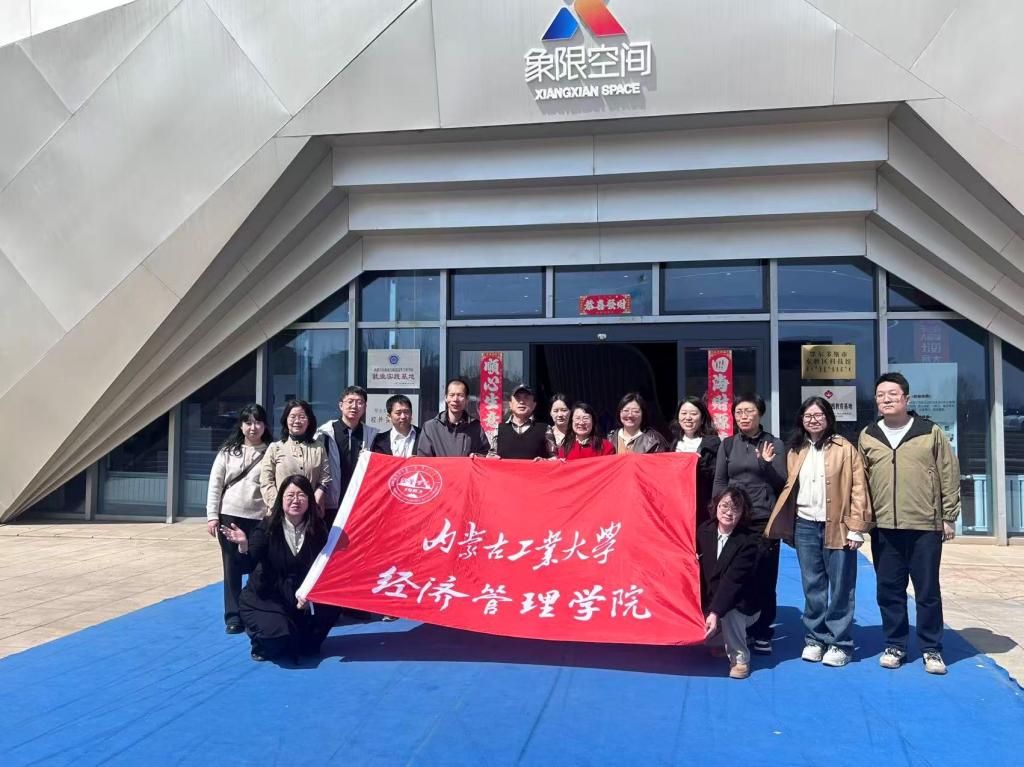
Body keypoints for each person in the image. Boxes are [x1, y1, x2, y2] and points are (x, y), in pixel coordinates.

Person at [858, 372, 961, 675]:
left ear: (906, 398)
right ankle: (895, 644)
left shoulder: (929, 432)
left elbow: (948, 473)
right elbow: (860, 482)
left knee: (927, 591)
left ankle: (931, 648)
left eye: (892, 394)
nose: (886, 399)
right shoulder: (869, 435)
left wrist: (948, 516)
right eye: (880, 395)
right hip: (884, 527)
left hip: (924, 525)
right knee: (889, 589)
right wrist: (862, 521)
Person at [766, 397, 873, 667]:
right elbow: (787, 486)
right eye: (808, 416)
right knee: (812, 585)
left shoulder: (845, 448)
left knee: (841, 586)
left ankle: (840, 642)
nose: (813, 420)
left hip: (837, 525)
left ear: (828, 418)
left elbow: (859, 487)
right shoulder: (795, 450)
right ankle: (815, 638)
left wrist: (857, 527)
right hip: (804, 524)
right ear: (801, 420)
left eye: (818, 415)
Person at [221, 475, 341, 662]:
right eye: (290, 495)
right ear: (281, 499)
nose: (296, 500)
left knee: (309, 646)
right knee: (278, 638)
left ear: (309, 500)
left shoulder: (318, 529)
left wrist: (311, 596)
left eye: (301, 495)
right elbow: (247, 565)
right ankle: (261, 642)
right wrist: (243, 545)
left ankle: (298, 635)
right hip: (267, 599)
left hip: (300, 599)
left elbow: (325, 568)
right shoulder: (268, 527)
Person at [712, 393, 787, 655]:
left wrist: (765, 465)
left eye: (749, 411)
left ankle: (763, 631)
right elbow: (720, 480)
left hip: (763, 519)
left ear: (760, 413)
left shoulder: (774, 443)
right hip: (734, 519)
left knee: (764, 576)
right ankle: (737, 629)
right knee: (735, 575)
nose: (743, 417)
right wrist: (719, 511)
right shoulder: (728, 445)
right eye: (739, 412)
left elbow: (782, 483)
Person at [206, 404, 271, 634]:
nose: (253, 427)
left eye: (258, 422)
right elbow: (215, 484)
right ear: (241, 426)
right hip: (230, 514)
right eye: (248, 422)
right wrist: (212, 516)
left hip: (260, 516)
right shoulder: (228, 451)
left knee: (258, 566)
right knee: (231, 566)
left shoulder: (272, 451)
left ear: (265, 425)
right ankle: (233, 616)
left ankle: (254, 610)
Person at [697, 487, 760, 680]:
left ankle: (740, 659)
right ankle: (722, 640)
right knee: (704, 636)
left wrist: (715, 613)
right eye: (724, 506)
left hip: (741, 602)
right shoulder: (703, 531)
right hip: (712, 599)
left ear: (742, 513)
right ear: (716, 506)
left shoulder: (749, 542)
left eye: (735, 508)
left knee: (731, 610)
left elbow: (732, 583)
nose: (728, 512)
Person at [316, 386, 378, 525]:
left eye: (360, 402)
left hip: (360, 504)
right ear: (341, 405)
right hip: (331, 504)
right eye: (350, 401)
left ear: (365, 407)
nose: (354, 406)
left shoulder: (372, 435)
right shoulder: (325, 433)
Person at [260, 400, 331, 514]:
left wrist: (314, 500)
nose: (297, 421)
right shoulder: (275, 447)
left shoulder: (318, 447)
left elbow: (325, 478)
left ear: (309, 421)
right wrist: (278, 506)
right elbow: (266, 481)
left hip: (311, 512)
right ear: (286, 420)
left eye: (302, 417)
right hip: (280, 512)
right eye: (292, 417)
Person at [669, 396, 721, 524]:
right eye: (684, 413)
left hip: (702, 503)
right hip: (677, 503)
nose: (688, 417)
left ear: (702, 418)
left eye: (693, 414)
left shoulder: (712, 443)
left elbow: (716, 475)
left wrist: (698, 464)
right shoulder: (674, 443)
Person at [417, 377, 491, 457]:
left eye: (460, 395)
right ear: (446, 398)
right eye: (451, 395)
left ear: (467, 399)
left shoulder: (475, 427)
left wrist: (477, 456)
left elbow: (485, 454)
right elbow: (423, 458)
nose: (455, 399)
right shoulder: (430, 427)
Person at [488, 383, 553, 460]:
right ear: (510, 404)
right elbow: (490, 457)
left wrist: (545, 461)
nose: (522, 402)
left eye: (526, 398)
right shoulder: (498, 429)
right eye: (518, 398)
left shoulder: (545, 429)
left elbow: (554, 459)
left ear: (534, 405)